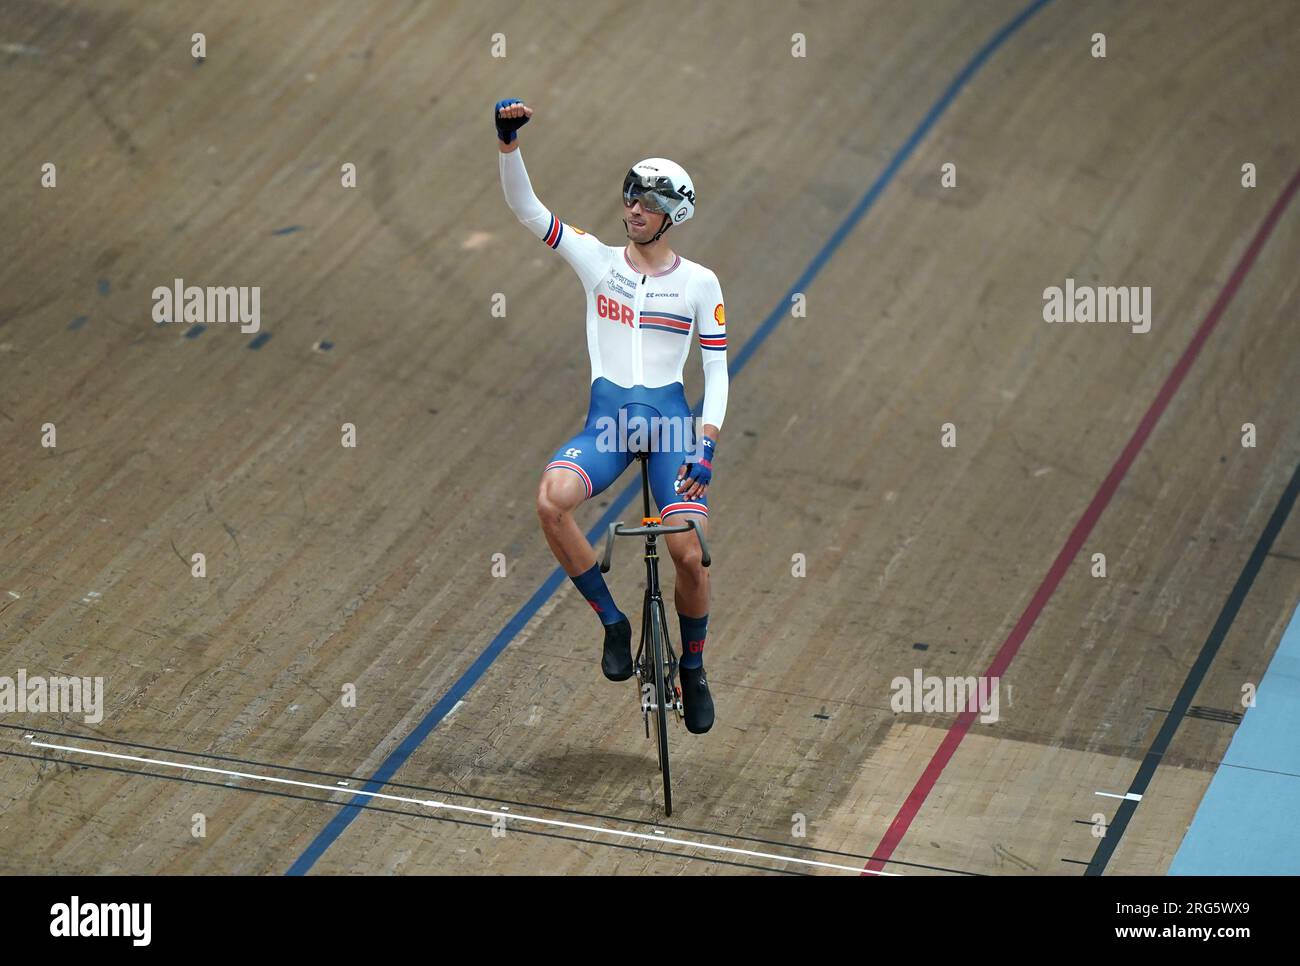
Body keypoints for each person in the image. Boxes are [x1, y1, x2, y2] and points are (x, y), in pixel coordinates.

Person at [495, 97, 729, 734]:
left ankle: (695, 666)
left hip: (675, 430)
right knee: (551, 501)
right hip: (610, 427)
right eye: (629, 197)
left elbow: (717, 373)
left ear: (672, 215)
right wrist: (509, 146)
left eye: (647, 203)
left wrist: (705, 448)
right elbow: (526, 210)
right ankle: (614, 622)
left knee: (688, 558)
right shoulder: (597, 260)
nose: (632, 209)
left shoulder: (700, 284)